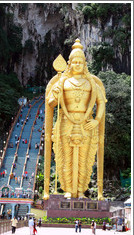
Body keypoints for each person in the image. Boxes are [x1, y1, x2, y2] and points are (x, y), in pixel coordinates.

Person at [44, 38, 106, 200]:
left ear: (85, 63)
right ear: (69, 63)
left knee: (85, 159)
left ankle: (80, 190)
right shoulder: (63, 82)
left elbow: (101, 103)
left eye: (80, 61)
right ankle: (68, 190)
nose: (77, 64)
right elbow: (51, 104)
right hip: (66, 122)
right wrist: (56, 93)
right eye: (74, 61)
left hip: (86, 123)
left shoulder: (91, 83)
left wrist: (96, 120)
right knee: (65, 158)